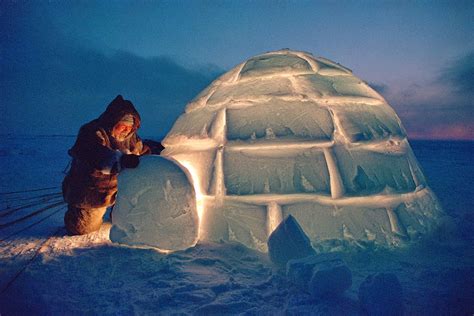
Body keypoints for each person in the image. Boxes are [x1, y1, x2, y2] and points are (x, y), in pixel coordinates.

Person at [62, 95, 152, 235]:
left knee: (128, 220)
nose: (126, 130)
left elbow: (142, 151)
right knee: (82, 229)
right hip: (91, 190)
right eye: (123, 125)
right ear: (114, 121)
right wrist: (122, 160)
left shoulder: (132, 138)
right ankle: (77, 215)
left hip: (120, 190)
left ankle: (117, 213)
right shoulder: (92, 131)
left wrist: (154, 156)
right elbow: (95, 155)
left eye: (130, 127)